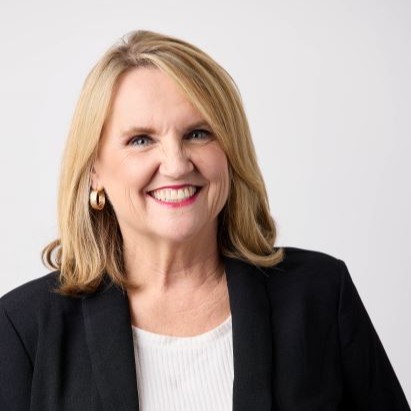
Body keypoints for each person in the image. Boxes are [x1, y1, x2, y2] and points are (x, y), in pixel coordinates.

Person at [0, 30, 409, 411]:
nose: (176, 164)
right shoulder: (24, 329)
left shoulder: (320, 295)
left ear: (230, 151)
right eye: (141, 140)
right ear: (95, 170)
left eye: (198, 133)